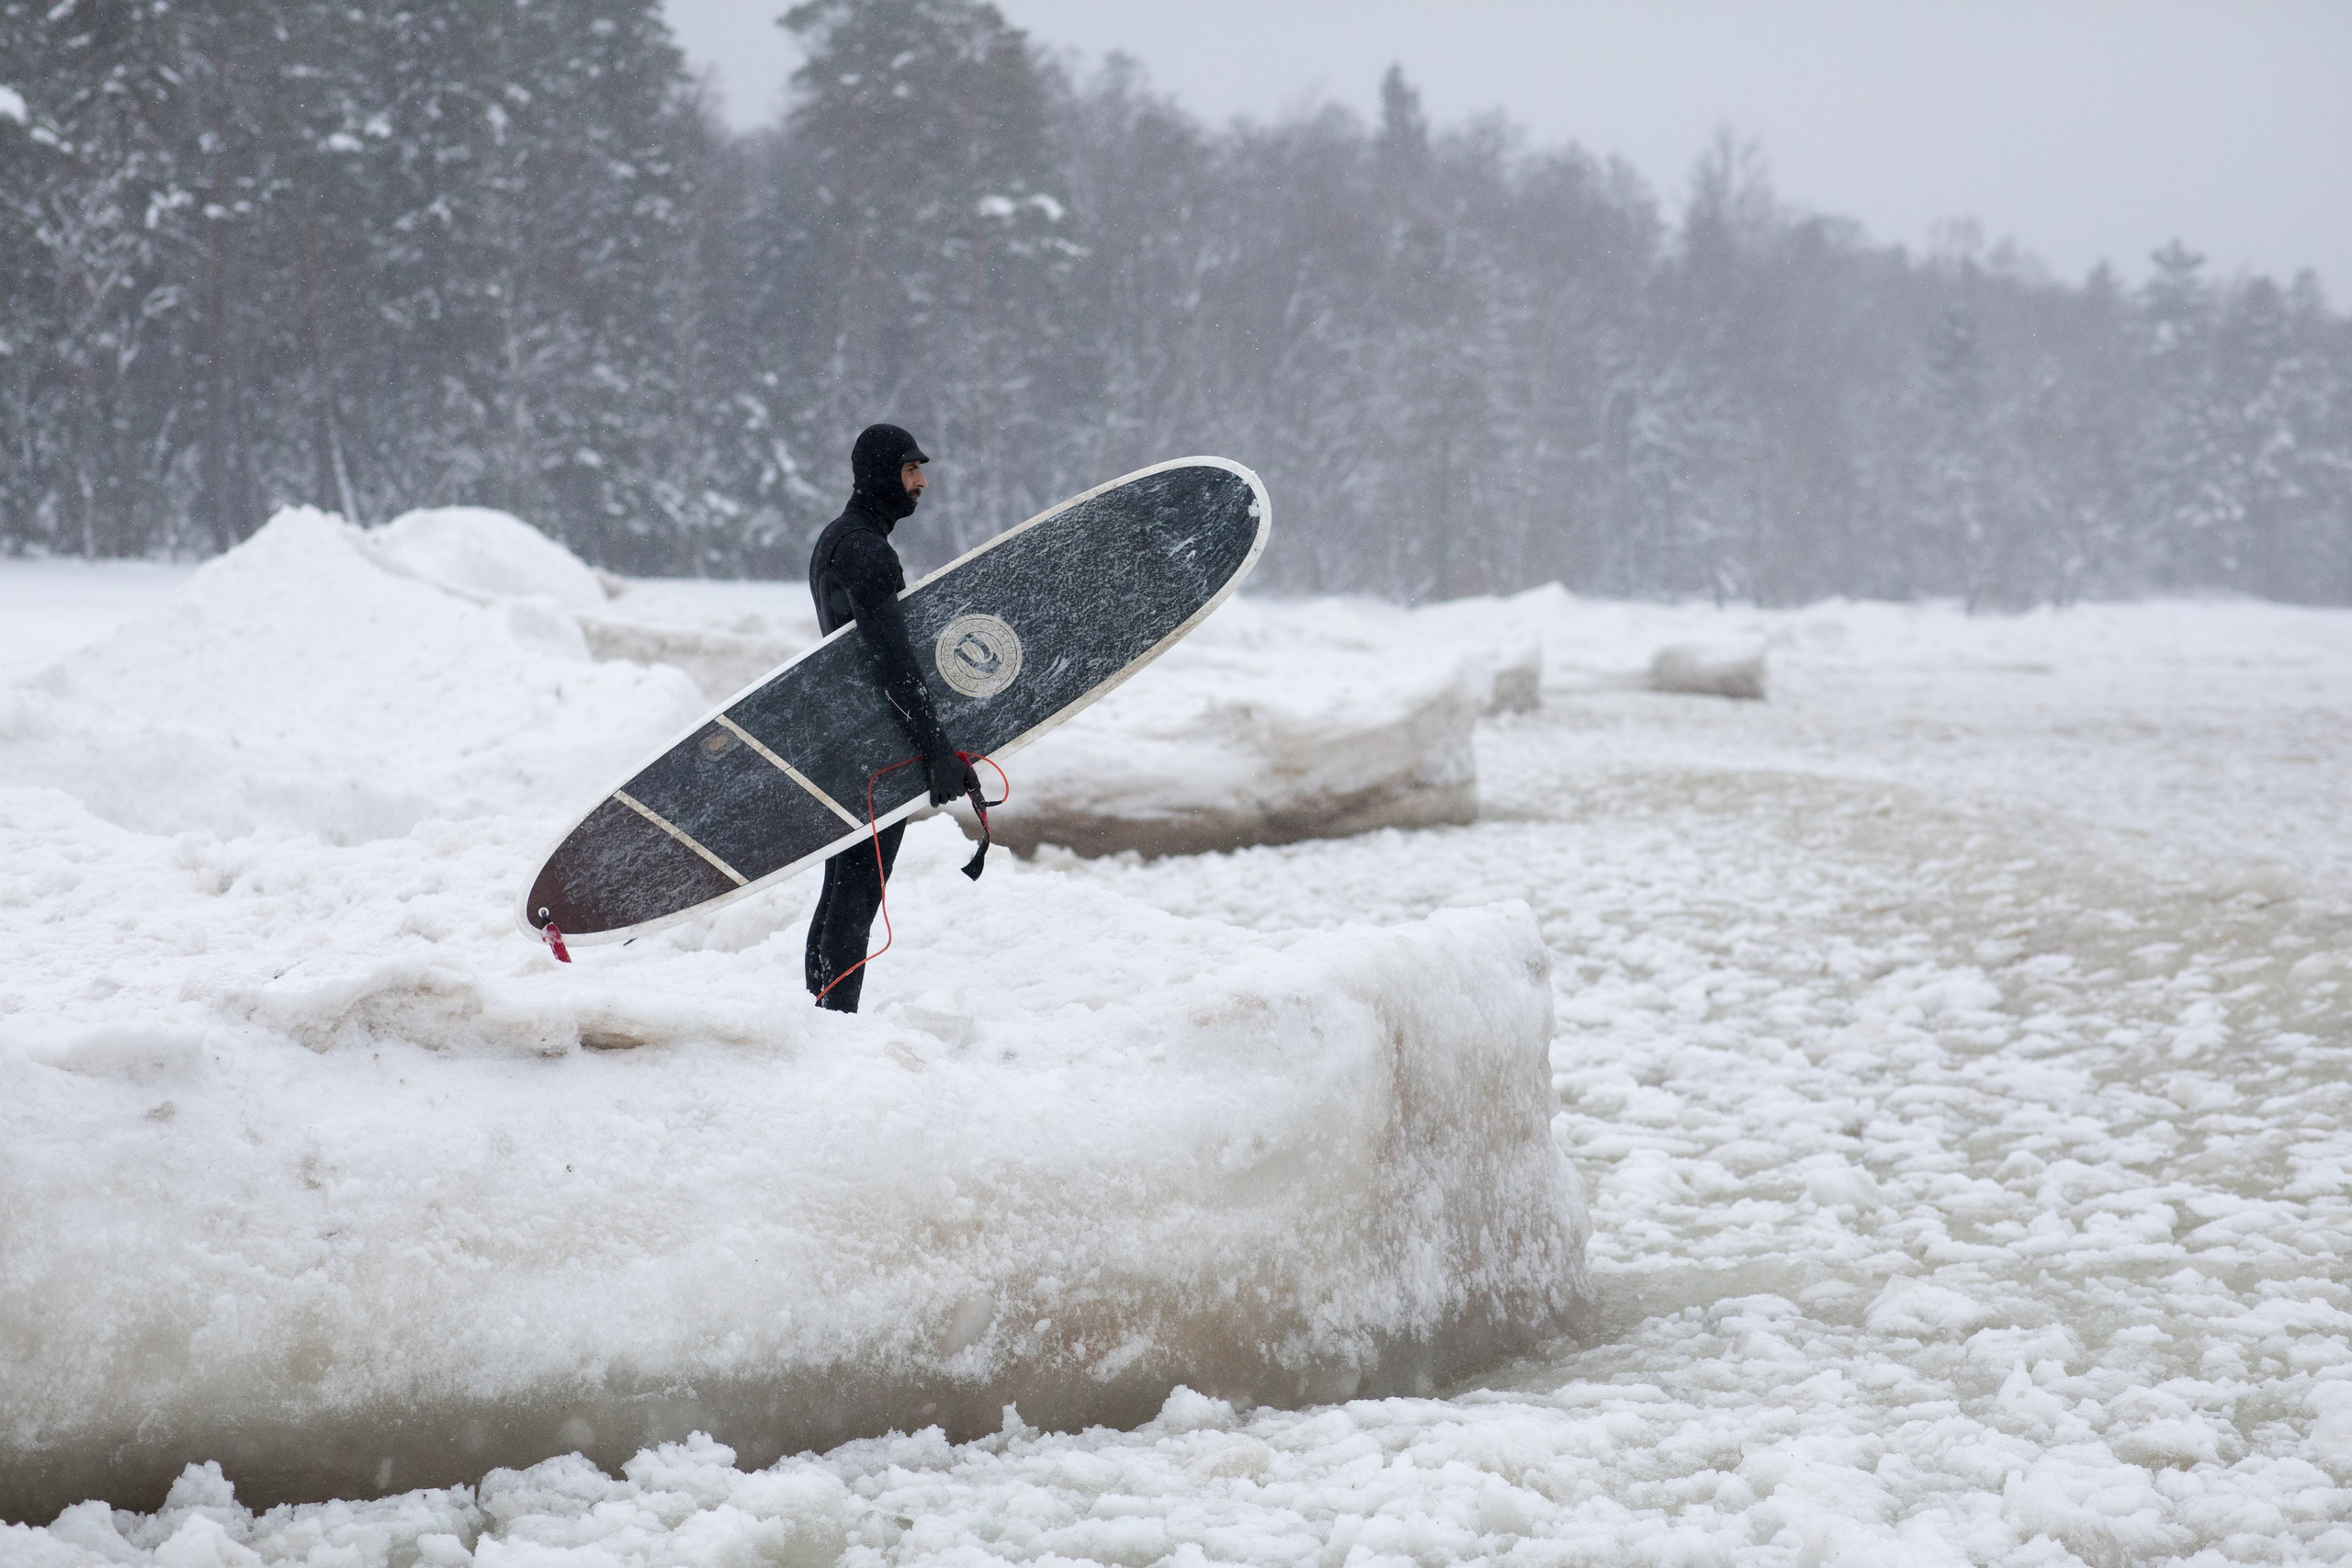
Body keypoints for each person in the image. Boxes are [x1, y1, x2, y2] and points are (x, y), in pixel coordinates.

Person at [803, 423, 979, 1012]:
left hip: (847, 738)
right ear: (881, 474)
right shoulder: (866, 552)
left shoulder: (835, 539)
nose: (921, 483)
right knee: (856, 897)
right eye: (910, 471)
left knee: (840, 889)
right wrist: (934, 750)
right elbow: (892, 663)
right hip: (877, 747)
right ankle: (833, 1024)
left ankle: (818, 1017)